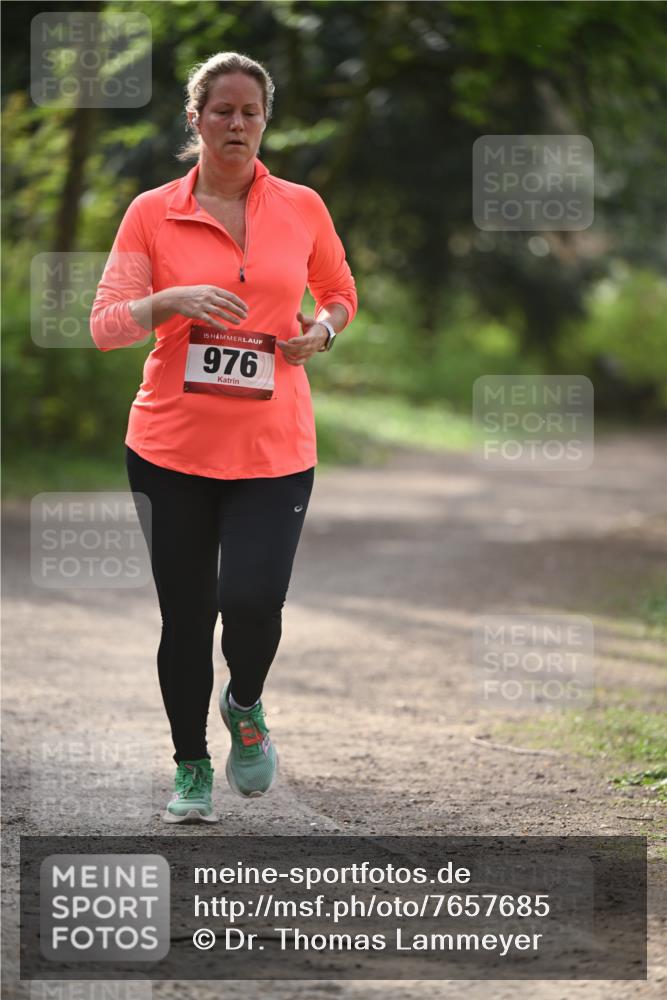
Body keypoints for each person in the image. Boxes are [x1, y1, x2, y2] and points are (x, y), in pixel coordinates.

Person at [90, 51, 358, 823]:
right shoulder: (151, 212)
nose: (235, 124)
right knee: (185, 615)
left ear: (264, 120)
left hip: (274, 447)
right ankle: (190, 767)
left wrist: (324, 332)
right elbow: (105, 326)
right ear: (194, 120)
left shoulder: (302, 206)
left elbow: (338, 292)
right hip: (169, 447)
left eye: (249, 112)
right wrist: (169, 298)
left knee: (252, 599)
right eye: (221, 111)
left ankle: (244, 703)